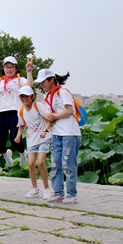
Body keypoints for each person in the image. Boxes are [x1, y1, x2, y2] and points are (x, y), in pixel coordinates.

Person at [0, 35, 33, 166]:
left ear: (16, 68)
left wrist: (29, 70)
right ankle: (6, 156)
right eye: (6, 67)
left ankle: (22, 154)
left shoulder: (20, 80)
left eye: (11, 67)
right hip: (2, 112)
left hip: (15, 112)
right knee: (0, 141)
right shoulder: (0, 81)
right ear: (3, 68)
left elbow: (30, 85)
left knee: (16, 138)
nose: (8, 69)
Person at [36, 69, 81, 204]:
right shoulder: (48, 97)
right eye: (40, 82)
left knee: (68, 164)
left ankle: (71, 194)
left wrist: (54, 116)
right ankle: (58, 192)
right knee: (56, 164)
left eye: (43, 81)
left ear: (51, 80)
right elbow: (51, 117)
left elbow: (69, 110)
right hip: (56, 134)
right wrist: (45, 129)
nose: (42, 84)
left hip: (69, 133)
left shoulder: (63, 92)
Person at [13, 85, 52, 199]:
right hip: (31, 140)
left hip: (44, 138)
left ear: (32, 96)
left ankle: (46, 189)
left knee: (41, 162)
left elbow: (49, 119)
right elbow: (21, 125)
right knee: (30, 164)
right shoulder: (20, 110)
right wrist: (18, 136)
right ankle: (34, 188)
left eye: (26, 96)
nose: (24, 99)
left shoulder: (38, 106)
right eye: (22, 96)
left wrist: (45, 130)